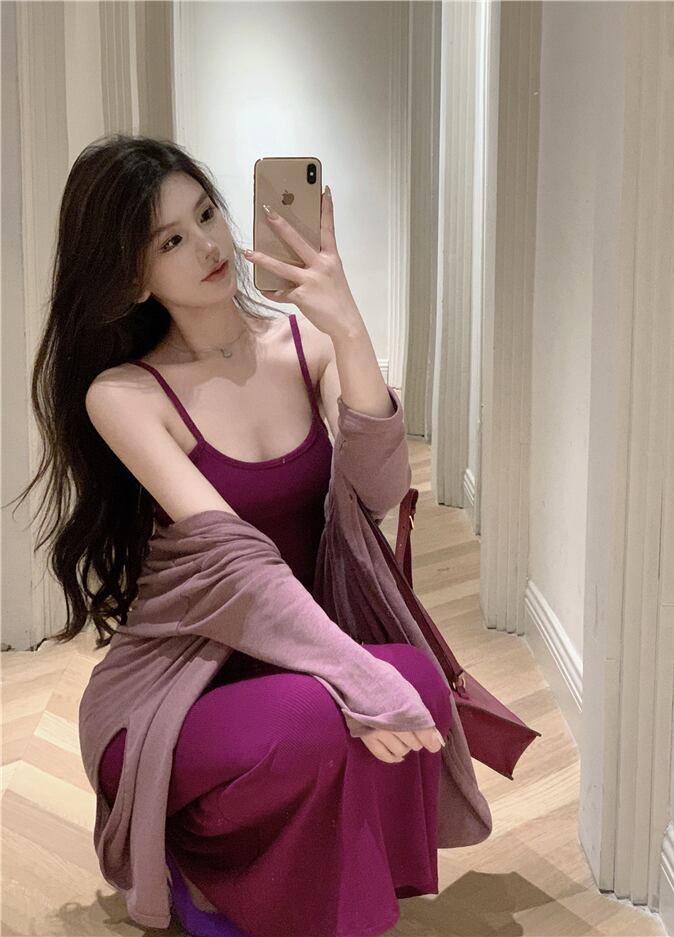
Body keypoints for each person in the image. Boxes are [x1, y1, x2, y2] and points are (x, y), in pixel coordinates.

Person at [8, 133, 453, 937]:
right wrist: (356, 674)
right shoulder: (126, 394)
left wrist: (349, 327)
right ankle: (200, 861)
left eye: (207, 213)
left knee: (415, 679)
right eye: (171, 240)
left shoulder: (306, 344)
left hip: (298, 661)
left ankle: (324, 895)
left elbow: (381, 491)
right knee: (325, 710)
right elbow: (240, 568)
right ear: (132, 275)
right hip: (178, 693)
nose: (210, 245)